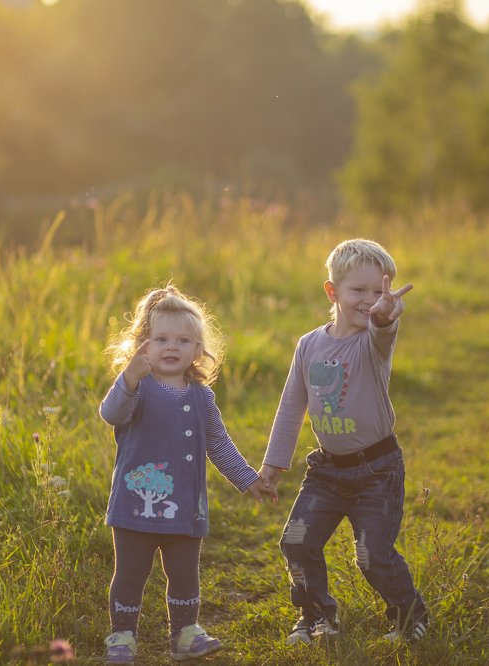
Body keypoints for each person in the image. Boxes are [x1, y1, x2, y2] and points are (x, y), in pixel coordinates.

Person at [258, 238, 430, 646]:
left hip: (378, 470)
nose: (371, 300)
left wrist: (386, 317)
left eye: (379, 291)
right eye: (359, 291)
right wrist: (273, 465)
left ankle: (411, 617)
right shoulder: (309, 345)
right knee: (296, 542)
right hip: (327, 470)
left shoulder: (373, 342)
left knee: (372, 556)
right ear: (332, 291)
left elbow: (383, 329)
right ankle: (316, 617)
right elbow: (290, 408)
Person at [100, 284, 276, 664]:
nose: (171, 346)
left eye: (182, 340)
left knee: (184, 573)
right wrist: (128, 378)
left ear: (198, 350)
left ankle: (184, 634)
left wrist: (247, 478)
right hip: (135, 507)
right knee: (130, 573)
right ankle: (122, 637)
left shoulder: (202, 397)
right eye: (160, 338)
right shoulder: (137, 390)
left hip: (186, 508)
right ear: (142, 344)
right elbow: (111, 415)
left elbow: (219, 444)